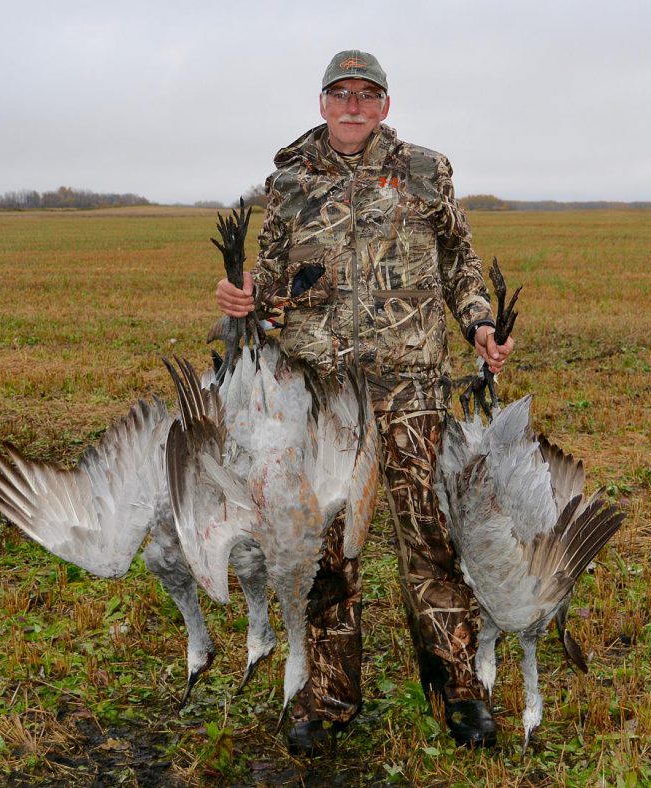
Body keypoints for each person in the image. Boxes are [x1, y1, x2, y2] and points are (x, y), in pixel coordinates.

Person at [214, 49, 513, 756]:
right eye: (340, 93)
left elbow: (459, 260)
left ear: (384, 105)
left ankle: (460, 691)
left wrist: (478, 321)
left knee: (430, 541)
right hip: (322, 396)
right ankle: (328, 699)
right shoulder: (286, 183)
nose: (353, 105)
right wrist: (246, 298)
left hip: (410, 386)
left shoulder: (425, 171)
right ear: (322, 103)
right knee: (326, 555)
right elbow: (273, 277)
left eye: (366, 94)